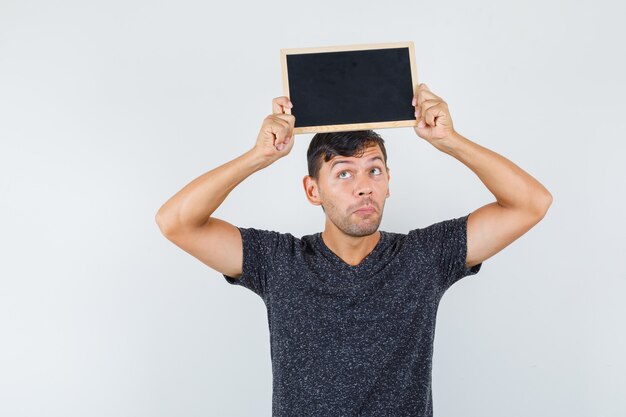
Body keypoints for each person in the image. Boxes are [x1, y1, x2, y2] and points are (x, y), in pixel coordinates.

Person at [155, 83, 553, 417]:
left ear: (388, 181)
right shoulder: (278, 262)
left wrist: (450, 141)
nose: (364, 187)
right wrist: (258, 157)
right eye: (343, 173)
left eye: (374, 170)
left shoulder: (424, 256)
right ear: (313, 190)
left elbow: (531, 203)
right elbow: (176, 222)